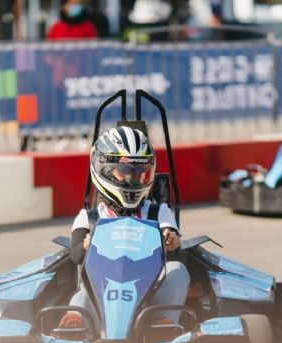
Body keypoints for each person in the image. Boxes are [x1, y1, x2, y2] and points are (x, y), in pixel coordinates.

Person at [58, 126, 189, 330]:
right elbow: (74, 256)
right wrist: (85, 246)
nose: (133, 179)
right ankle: (76, 322)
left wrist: (171, 240)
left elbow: (175, 248)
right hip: (100, 291)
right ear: (105, 169)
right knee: (84, 290)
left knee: (178, 270)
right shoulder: (90, 217)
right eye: (125, 172)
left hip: (149, 294)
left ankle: (163, 322)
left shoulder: (157, 212)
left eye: (140, 173)